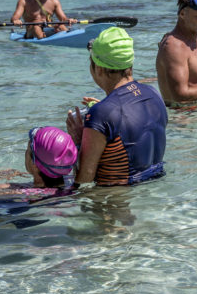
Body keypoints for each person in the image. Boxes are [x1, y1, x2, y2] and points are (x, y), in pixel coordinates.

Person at [67, 27, 168, 187]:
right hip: (154, 187)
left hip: (115, 199)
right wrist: (104, 109)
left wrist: (78, 141)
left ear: (98, 68)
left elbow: (83, 178)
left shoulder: (101, 114)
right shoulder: (154, 95)